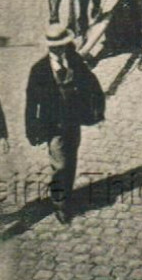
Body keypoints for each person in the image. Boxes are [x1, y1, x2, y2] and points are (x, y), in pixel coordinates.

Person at [25, 24, 106, 224]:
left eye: (61, 46)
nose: (58, 50)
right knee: (60, 165)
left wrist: (97, 110)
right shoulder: (39, 70)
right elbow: (31, 102)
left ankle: (67, 194)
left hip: (73, 122)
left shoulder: (75, 61)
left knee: (71, 162)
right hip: (53, 126)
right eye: (54, 47)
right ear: (48, 47)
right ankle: (60, 204)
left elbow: (92, 83)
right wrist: (31, 129)